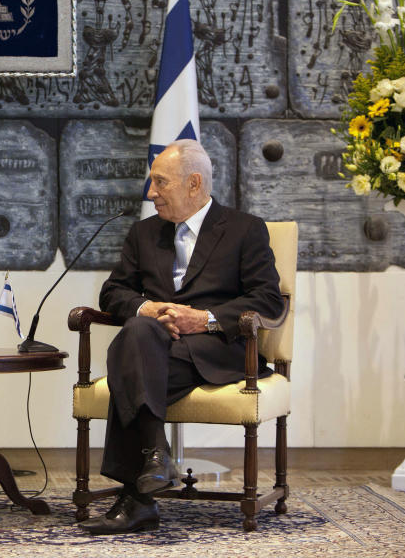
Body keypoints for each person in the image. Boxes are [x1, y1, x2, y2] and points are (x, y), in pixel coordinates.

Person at [79, 139, 285, 535]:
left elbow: (268, 301)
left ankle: (136, 499)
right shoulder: (143, 234)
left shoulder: (245, 230)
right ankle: (156, 457)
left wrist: (204, 318)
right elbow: (113, 293)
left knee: (130, 362)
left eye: (160, 182)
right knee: (140, 329)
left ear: (193, 184)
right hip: (157, 349)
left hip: (218, 349)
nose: (150, 193)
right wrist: (150, 308)